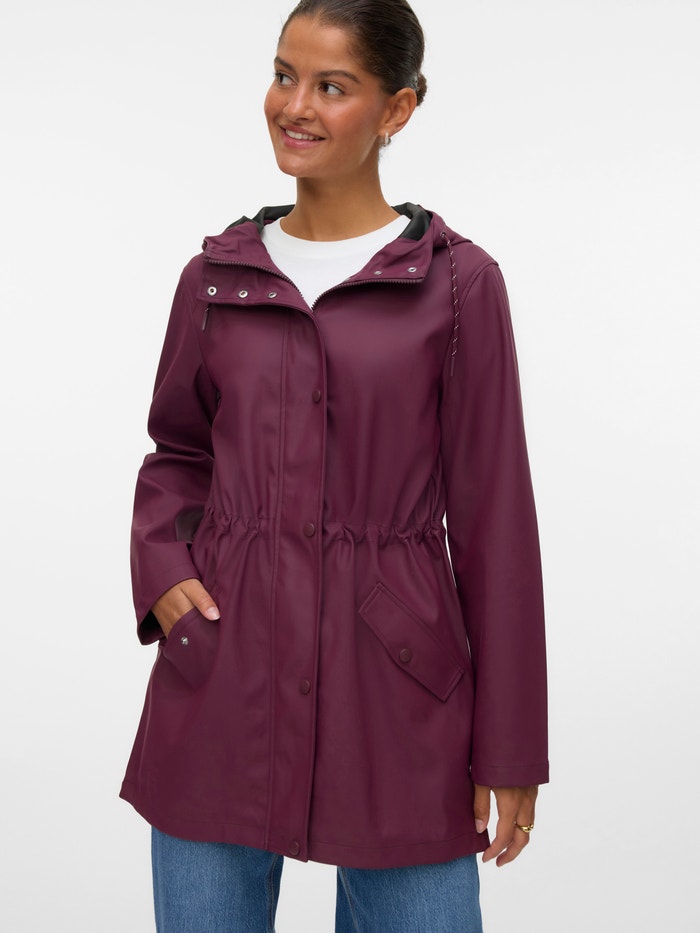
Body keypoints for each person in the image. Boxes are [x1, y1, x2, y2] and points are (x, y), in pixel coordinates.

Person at [121, 0, 549, 929]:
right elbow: (178, 452)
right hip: (222, 678)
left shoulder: (457, 283)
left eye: (332, 85)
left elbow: (496, 524)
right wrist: (164, 571)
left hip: (397, 689)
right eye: (284, 75)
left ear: (397, 109)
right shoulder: (216, 278)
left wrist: (511, 744)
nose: (295, 105)